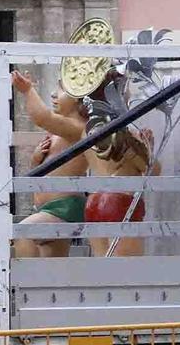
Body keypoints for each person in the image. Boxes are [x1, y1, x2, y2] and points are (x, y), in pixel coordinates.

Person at [10, 67, 152, 258]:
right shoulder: (91, 131)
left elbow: (43, 117)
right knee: (109, 269)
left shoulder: (81, 129)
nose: (54, 93)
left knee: (111, 266)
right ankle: (41, 286)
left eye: (62, 89)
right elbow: (150, 169)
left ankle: (27, 283)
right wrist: (36, 159)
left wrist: (28, 91)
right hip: (102, 201)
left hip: (74, 204)